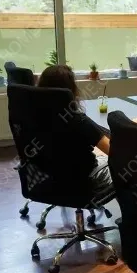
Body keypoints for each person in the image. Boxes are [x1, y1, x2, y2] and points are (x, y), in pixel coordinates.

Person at [36, 64, 113, 199]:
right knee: (125, 164)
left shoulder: (34, 116)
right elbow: (112, 152)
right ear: (70, 90)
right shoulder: (76, 119)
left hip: (47, 178)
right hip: (82, 183)